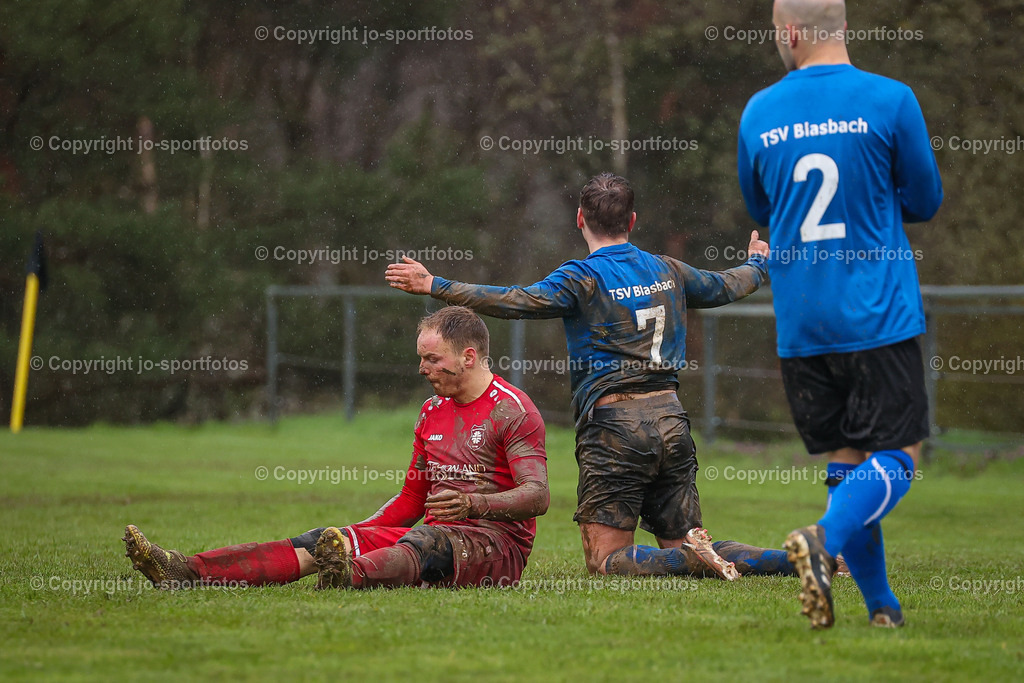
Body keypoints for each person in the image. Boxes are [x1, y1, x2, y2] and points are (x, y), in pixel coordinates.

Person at [386, 172, 797, 581]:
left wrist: (435, 284)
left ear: (580, 219)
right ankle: (794, 559)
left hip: (616, 428)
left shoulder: (582, 278)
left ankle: (696, 558)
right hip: (672, 421)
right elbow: (726, 285)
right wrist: (759, 263)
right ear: (632, 221)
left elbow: (517, 301)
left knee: (606, 560)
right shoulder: (667, 269)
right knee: (683, 542)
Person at [737, 0, 943, 628]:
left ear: (791, 34)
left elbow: (762, 204)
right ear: (844, 28)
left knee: (848, 459)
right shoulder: (891, 99)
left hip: (802, 322)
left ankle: (882, 608)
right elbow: (926, 200)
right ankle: (823, 539)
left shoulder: (759, 111)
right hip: (876, 314)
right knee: (899, 452)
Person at [124, 306, 549, 590]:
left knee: (424, 541)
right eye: (421, 358)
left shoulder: (512, 411)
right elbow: (411, 499)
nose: (422, 369)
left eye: (432, 359)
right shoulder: (431, 411)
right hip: (428, 533)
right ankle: (187, 571)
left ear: (469, 357)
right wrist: (353, 533)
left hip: (496, 547)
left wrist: (475, 504)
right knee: (319, 541)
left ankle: (350, 574)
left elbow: (538, 495)